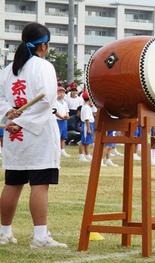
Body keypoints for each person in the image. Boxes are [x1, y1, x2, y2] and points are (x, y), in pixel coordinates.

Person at [0, 22, 67, 248]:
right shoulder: (43, 66)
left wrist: (10, 117)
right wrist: (17, 119)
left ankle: (3, 232)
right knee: (40, 184)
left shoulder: (7, 70)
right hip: (37, 135)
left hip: (16, 134)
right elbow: (48, 99)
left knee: (13, 183)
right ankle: (40, 237)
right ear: (44, 46)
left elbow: (1, 99)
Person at [53, 83, 70, 157]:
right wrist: (61, 117)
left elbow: (67, 111)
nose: (61, 94)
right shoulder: (54, 102)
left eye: (63, 92)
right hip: (57, 120)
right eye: (59, 92)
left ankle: (62, 150)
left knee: (63, 136)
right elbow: (54, 111)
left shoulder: (65, 103)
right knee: (57, 136)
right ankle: (56, 150)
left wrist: (67, 116)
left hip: (64, 121)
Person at [79, 91, 94, 162]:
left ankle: (87, 155)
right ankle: (82, 156)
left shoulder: (87, 107)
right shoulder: (86, 107)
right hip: (86, 125)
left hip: (89, 124)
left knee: (87, 141)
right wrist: (88, 129)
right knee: (84, 141)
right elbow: (87, 119)